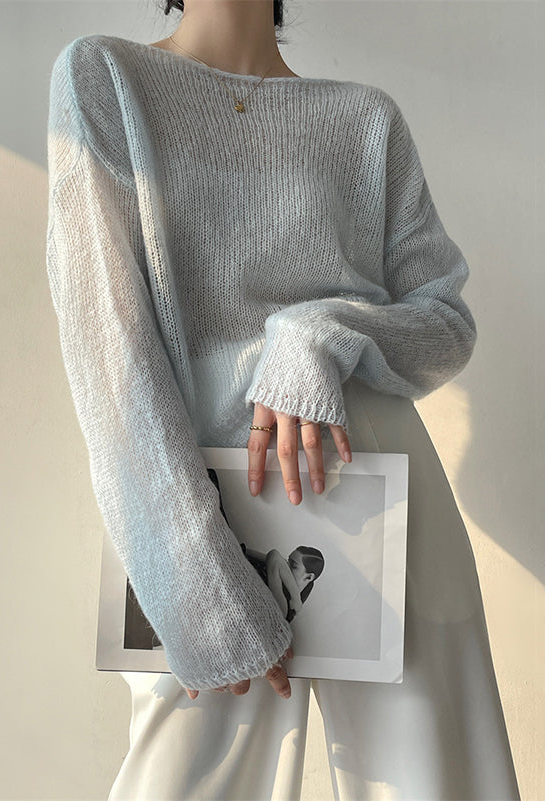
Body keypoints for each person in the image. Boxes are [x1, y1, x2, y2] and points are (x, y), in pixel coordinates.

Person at [45, 0, 521, 798]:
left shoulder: (366, 120)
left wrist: (320, 330)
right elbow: (108, 354)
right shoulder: (104, 77)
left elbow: (445, 322)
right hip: (200, 515)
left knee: (438, 782)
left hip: (384, 498)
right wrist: (197, 584)